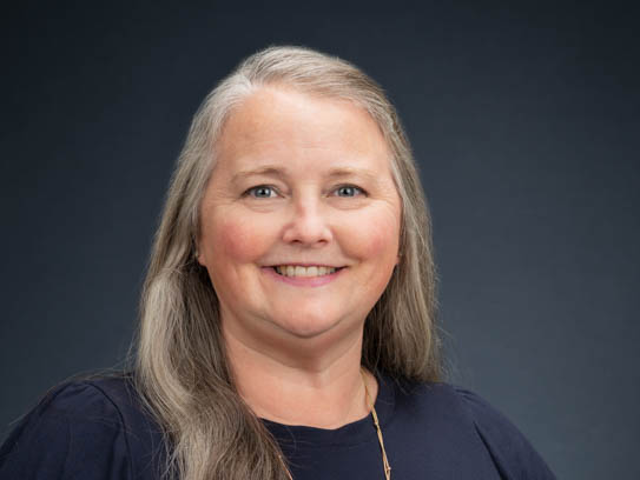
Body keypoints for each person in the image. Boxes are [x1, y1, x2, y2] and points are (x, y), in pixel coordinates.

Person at [0, 46, 556, 480]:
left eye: (347, 190)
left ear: (401, 235)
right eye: (263, 191)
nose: (309, 229)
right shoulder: (94, 437)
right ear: (196, 231)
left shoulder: (477, 439)